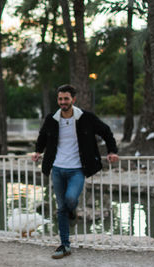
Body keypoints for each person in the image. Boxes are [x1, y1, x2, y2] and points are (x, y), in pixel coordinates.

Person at [31, 84, 118, 259]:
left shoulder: (86, 118)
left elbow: (106, 131)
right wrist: (38, 151)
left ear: (73, 99)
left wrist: (112, 151)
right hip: (57, 169)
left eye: (66, 99)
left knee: (70, 199)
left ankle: (72, 211)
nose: (63, 102)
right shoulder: (52, 119)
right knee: (61, 207)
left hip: (77, 169)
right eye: (60, 99)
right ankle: (65, 245)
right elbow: (43, 136)